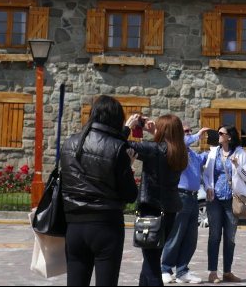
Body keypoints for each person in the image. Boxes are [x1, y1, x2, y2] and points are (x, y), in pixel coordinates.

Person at [60, 94, 138, 286]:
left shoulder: (70, 143)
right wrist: (129, 167)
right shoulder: (117, 147)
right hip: (106, 225)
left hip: (74, 225)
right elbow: (130, 194)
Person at [126, 113, 190, 286]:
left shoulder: (154, 149)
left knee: (151, 263)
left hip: (151, 210)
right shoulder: (180, 151)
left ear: (163, 130)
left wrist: (128, 126)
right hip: (169, 211)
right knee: (151, 258)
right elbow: (162, 146)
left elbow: (123, 145)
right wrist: (156, 132)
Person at [202, 125, 246, 284]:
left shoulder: (240, 153)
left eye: (221, 133)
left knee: (230, 237)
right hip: (215, 199)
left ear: (229, 137)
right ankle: (212, 273)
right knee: (214, 236)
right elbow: (206, 174)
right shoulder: (213, 152)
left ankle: (227, 272)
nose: (218, 135)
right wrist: (208, 187)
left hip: (232, 200)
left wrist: (237, 165)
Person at [161, 125, 209, 285]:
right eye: (186, 131)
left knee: (190, 237)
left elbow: (205, 158)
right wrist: (197, 135)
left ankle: (182, 270)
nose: (189, 134)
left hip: (193, 197)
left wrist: (217, 146)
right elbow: (180, 142)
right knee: (176, 235)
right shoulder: (177, 150)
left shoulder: (192, 154)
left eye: (189, 131)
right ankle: (165, 269)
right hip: (180, 196)